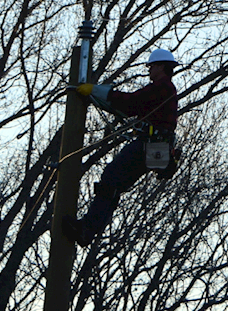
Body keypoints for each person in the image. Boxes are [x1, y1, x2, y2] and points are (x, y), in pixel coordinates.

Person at [61, 48, 179, 246]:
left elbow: (131, 102)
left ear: (160, 66)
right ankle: (89, 230)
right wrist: (99, 96)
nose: (149, 71)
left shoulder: (162, 87)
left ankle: (88, 228)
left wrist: (98, 91)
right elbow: (131, 107)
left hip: (148, 145)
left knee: (110, 179)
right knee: (114, 186)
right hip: (157, 148)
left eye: (151, 67)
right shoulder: (165, 90)